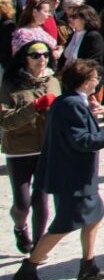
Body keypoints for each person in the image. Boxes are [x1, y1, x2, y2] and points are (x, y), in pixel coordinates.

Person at [13, 59, 104, 280]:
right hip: (72, 177)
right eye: (95, 78)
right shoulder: (72, 105)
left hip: (77, 176)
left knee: (95, 215)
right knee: (64, 225)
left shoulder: (70, 101)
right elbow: (82, 141)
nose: (98, 81)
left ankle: (88, 266)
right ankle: (28, 269)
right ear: (85, 81)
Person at [1, 42, 60, 254]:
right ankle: (20, 227)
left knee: (41, 199)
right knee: (22, 204)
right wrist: (34, 107)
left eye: (45, 54)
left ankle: (38, 247)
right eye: (35, 55)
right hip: (19, 149)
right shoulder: (10, 84)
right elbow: (5, 122)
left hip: (46, 148)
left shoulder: (53, 81)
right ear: (25, 58)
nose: (41, 58)